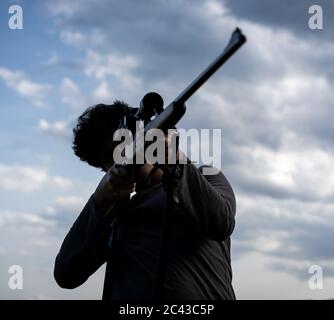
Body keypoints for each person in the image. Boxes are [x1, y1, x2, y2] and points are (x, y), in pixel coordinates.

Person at [54, 101, 236, 300]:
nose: (117, 158)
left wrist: (176, 160)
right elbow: (66, 275)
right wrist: (100, 201)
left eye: (120, 145)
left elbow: (221, 223)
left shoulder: (206, 178)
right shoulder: (115, 215)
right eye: (107, 156)